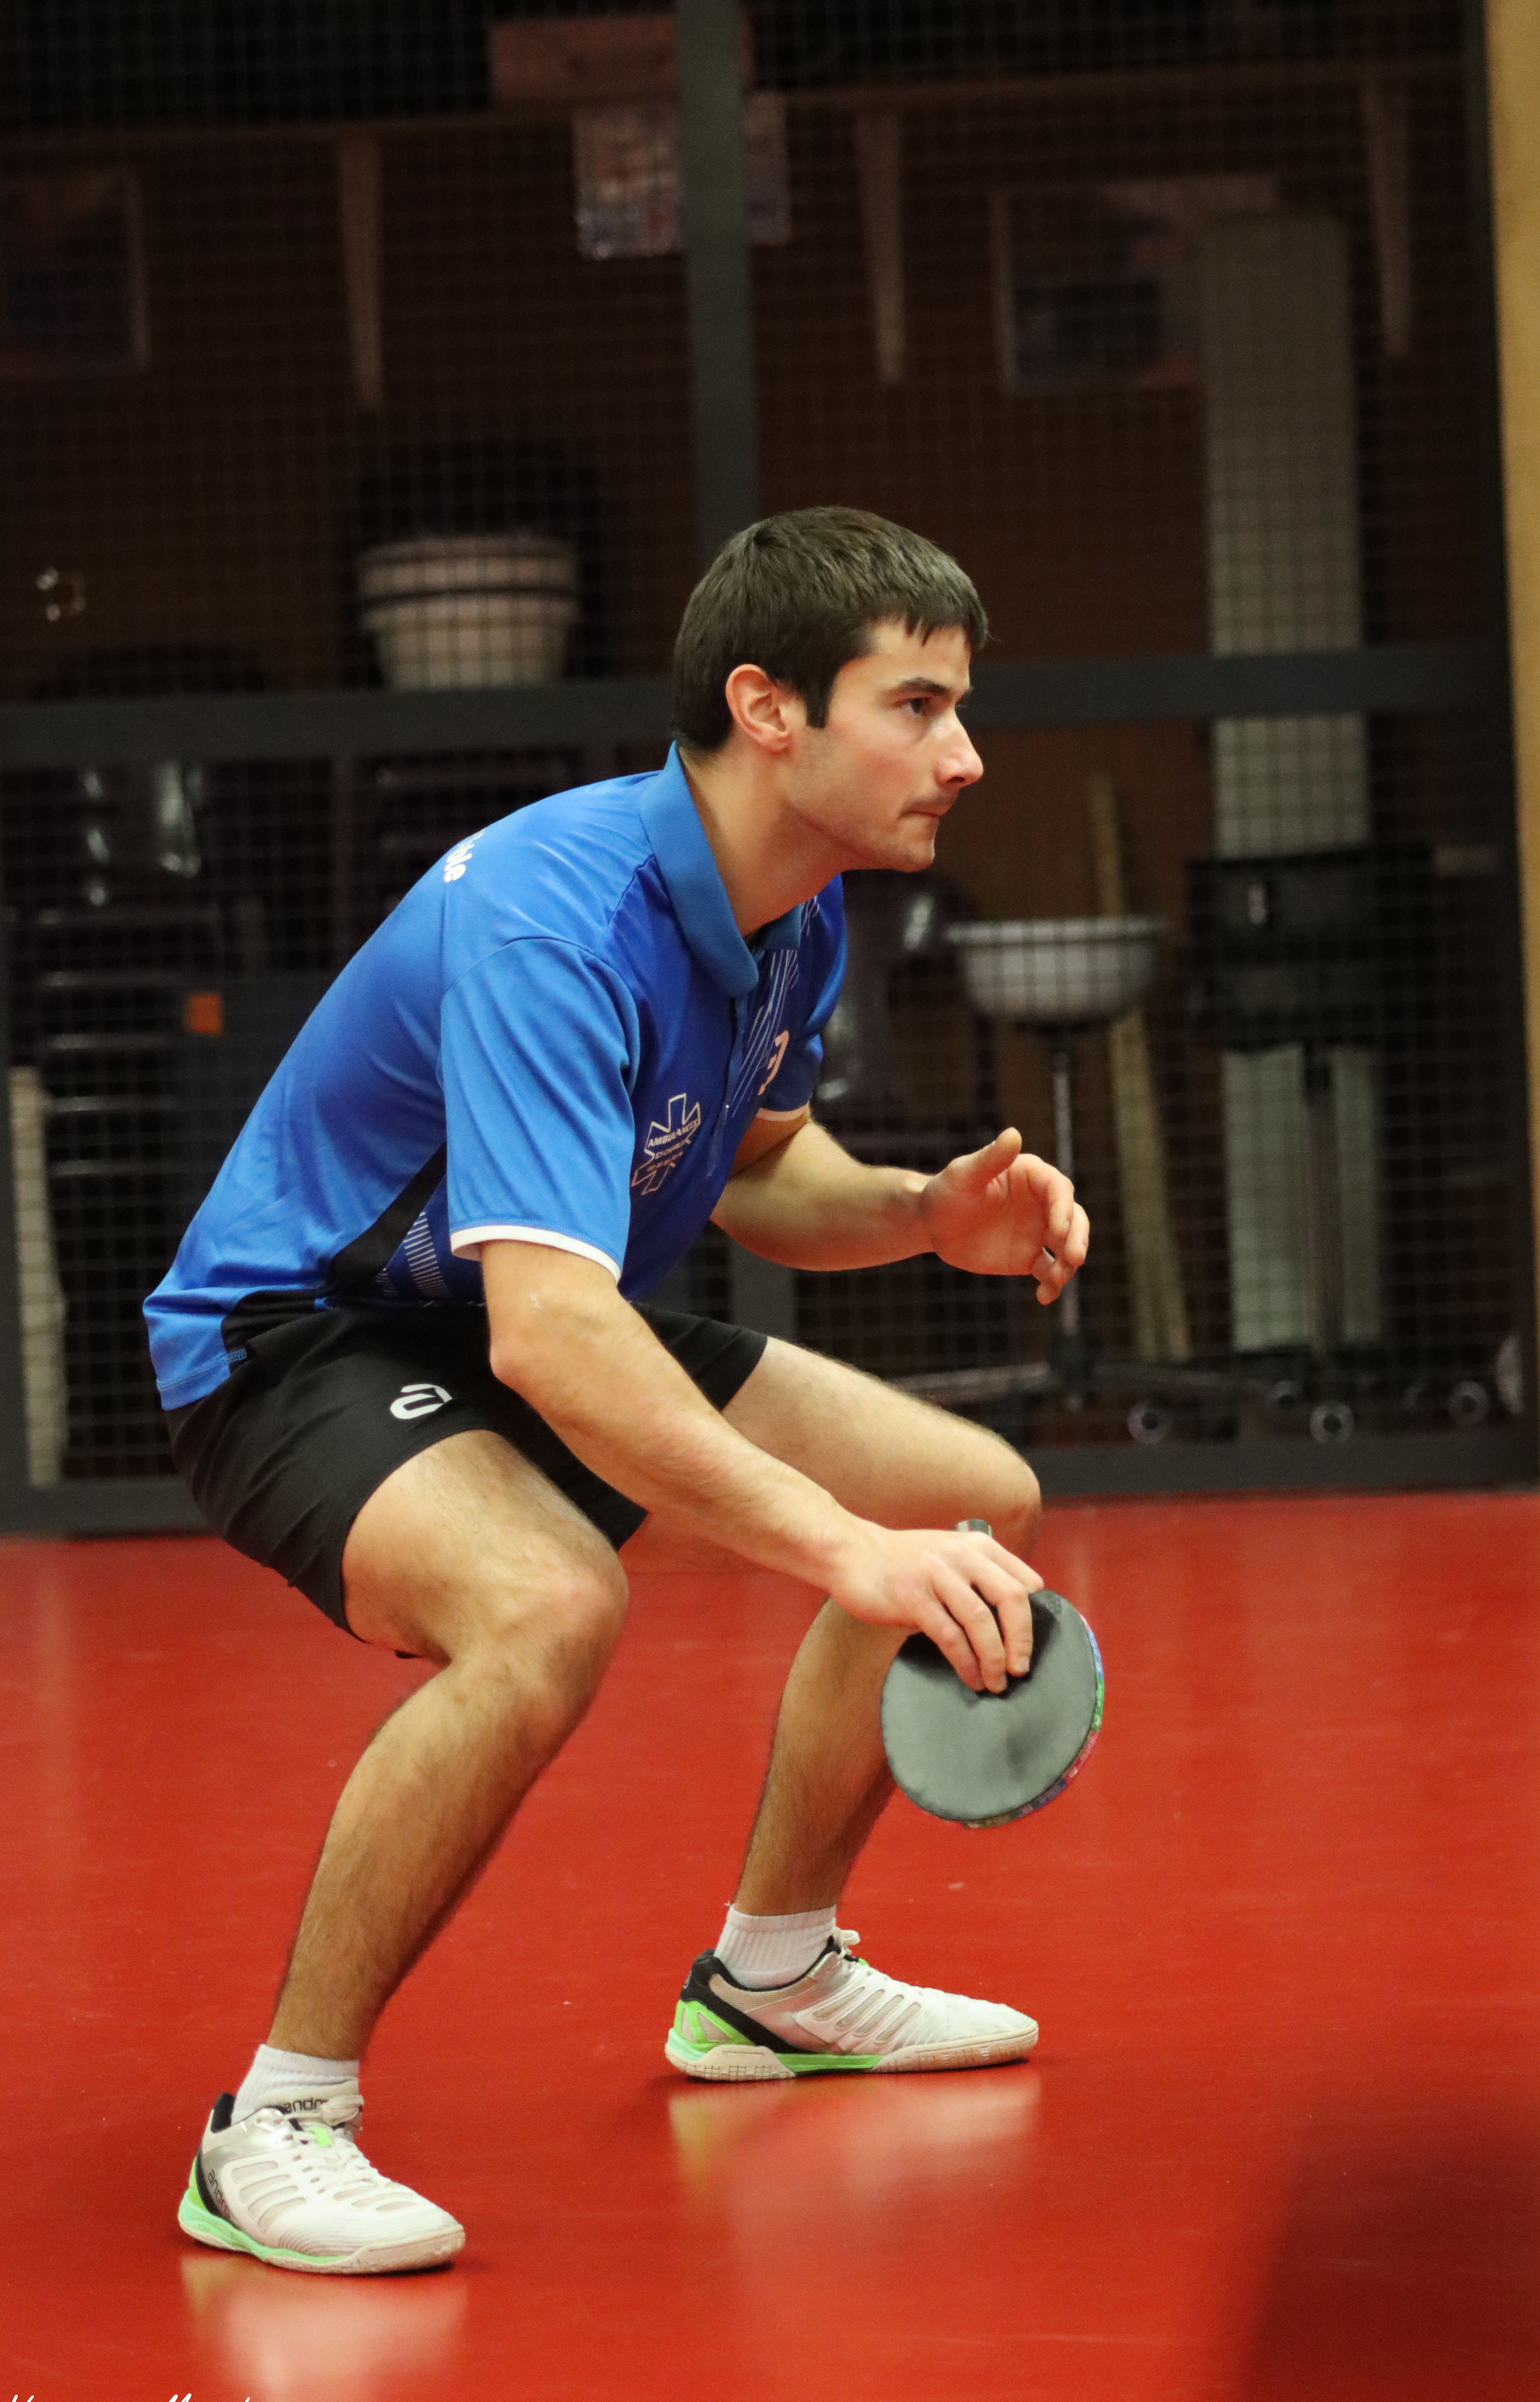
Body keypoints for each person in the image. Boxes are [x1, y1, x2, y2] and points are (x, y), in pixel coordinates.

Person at [145, 506, 1090, 2277]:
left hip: (512, 1311)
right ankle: (274, 2121)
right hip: (300, 1339)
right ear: (767, 709)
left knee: (970, 1492)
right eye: (916, 706)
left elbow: (753, 1168)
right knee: (547, 1606)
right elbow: (553, 1342)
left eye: (958, 707)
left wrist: (917, 1213)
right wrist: (839, 1551)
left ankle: (771, 1978)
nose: (962, 755)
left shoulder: (792, 915)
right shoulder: (552, 922)